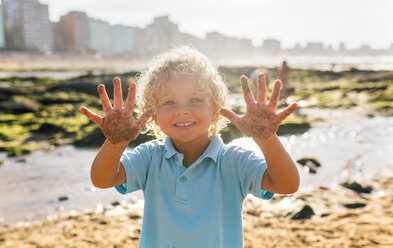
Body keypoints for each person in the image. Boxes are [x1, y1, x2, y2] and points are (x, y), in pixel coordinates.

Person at [80, 46, 300, 248]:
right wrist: (116, 142)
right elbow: (102, 180)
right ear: (153, 116)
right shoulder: (149, 157)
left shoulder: (233, 161)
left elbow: (287, 184)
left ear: (216, 109)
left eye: (195, 99)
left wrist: (267, 139)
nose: (182, 110)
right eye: (168, 102)